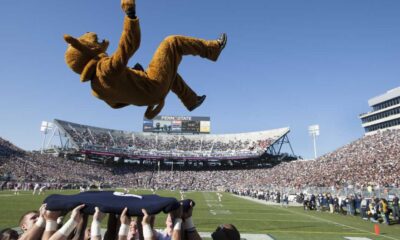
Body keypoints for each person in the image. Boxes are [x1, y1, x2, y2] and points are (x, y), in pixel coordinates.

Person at [63, 0, 227, 119]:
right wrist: (130, 15)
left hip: (149, 95)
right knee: (172, 42)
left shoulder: (96, 90)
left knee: (169, 72)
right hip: (152, 87)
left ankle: (191, 100)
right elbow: (129, 46)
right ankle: (213, 49)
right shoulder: (104, 69)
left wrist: (136, 79)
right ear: (85, 53)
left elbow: (117, 104)